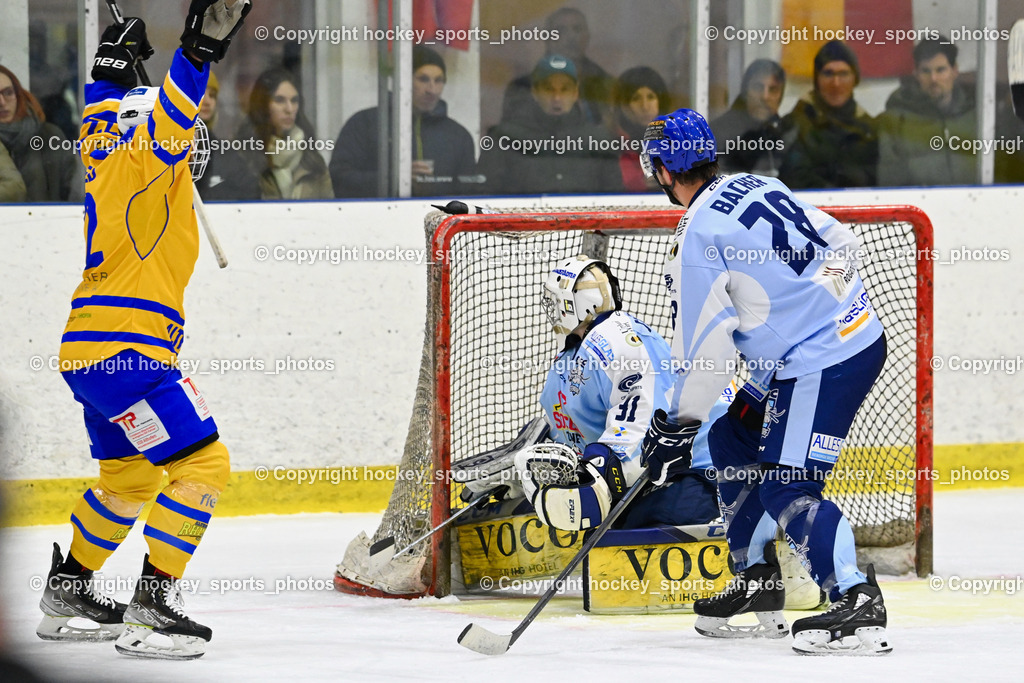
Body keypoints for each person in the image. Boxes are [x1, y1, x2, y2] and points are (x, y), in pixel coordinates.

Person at [40, 0, 251, 660]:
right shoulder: (148, 163)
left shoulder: (107, 161)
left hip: (88, 352)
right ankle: (155, 605)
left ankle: (70, 587)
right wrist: (197, 50)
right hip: (131, 354)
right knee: (205, 464)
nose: (196, 152)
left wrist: (109, 61)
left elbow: (99, 118)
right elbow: (171, 116)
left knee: (129, 480)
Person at [639, 108, 891, 655]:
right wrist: (822, 307)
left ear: (664, 168)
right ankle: (757, 579)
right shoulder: (756, 183)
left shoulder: (697, 234)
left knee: (788, 485)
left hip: (823, 359)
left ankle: (855, 597)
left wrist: (676, 425)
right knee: (732, 438)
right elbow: (841, 243)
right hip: (838, 340)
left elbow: (706, 352)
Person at [519, 256, 720, 532]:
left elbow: (640, 428)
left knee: (624, 529)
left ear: (571, 304)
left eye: (555, 299)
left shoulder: (617, 343)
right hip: (668, 469)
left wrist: (598, 476)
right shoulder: (575, 348)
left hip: (702, 468)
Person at [329, 46, 477, 198]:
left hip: (438, 217)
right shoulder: (365, 123)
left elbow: (468, 191)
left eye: (439, 81)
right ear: (404, 80)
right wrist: (396, 179)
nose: (432, 89)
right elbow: (340, 179)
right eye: (423, 79)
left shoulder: (459, 136)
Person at [477, 55, 623, 195]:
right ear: (535, 92)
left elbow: (615, 195)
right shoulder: (506, 137)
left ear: (575, 93)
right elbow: (486, 192)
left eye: (565, 89)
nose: (557, 98)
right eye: (548, 89)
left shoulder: (597, 139)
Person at [877, 38, 976, 187]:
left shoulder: (977, 114)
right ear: (916, 73)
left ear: (955, 70)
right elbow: (889, 180)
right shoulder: (896, 120)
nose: (933, 79)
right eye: (926, 71)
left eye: (940, 70)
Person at [780, 41, 878, 189]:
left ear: (855, 79)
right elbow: (794, 178)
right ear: (816, 79)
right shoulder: (795, 124)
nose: (836, 83)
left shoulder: (869, 129)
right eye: (828, 73)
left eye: (843, 74)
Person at [501, 7, 614, 126]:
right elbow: (513, 137)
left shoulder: (606, 84)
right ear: (547, 39)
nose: (571, 37)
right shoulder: (523, 88)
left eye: (577, 29)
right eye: (560, 30)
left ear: (587, 36)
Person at [238, 67, 333, 200]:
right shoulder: (243, 156)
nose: (289, 109)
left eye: (294, 101)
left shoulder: (312, 160)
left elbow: (330, 210)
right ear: (263, 105)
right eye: (279, 100)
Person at [0, 64, 77, 201]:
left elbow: (73, 189)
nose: (2, 102)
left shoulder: (49, 136)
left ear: (19, 95)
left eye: (8, 93)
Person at [711, 59, 788, 177]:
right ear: (745, 91)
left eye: (773, 90)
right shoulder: (720, 133)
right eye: (758, 87)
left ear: (781, 96)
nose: (765, 96)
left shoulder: (784, 132)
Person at [195, 70, 260, 200]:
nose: (207, 102)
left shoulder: (225, 153)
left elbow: (252, 191)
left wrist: (213, 192)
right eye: (201, 93)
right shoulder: (166, 145)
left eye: (212, 95)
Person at [611, 66, 671, 192]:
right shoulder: (610, 143)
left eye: (651, 97)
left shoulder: (675, 141)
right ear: (623, 105)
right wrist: (641, 183)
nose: (645, 106)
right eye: (636, 98)